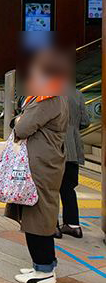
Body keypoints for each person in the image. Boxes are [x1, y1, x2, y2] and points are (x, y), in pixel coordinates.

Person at [7, 48, 70, 283]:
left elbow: (22, 128)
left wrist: (19, 121)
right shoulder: (50, 93)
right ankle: (41, 266)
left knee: (39, 216)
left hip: (42, 165)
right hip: (43, 162)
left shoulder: (49, 96)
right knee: (37, 214)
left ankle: (44, 271)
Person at [56, 88, 88, 239]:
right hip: (74, 147)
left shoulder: (44, 92)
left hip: (54, 146)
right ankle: (73, 225)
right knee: (68, 187)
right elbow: (85, 122)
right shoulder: (77, 93)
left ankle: (52, 226)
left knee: (50, 188)